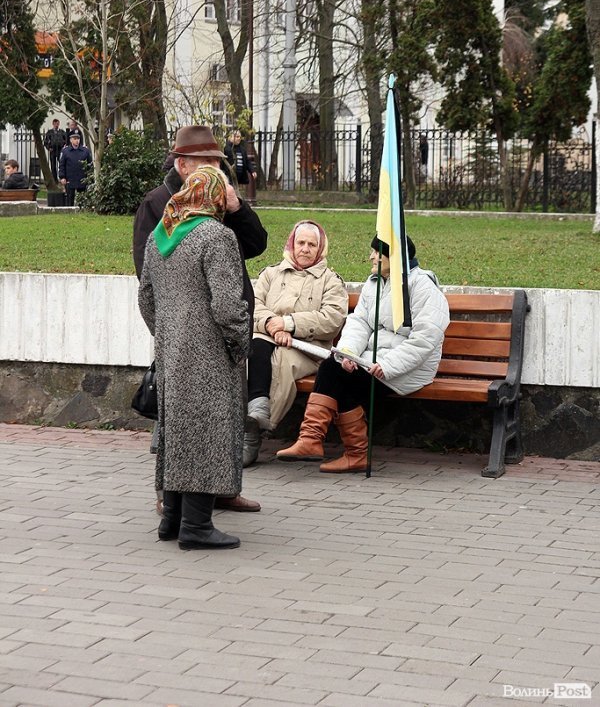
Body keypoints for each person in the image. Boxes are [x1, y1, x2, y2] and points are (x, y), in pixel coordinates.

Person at [133, 125, 268, 513]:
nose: (216, 168)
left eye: (218, 162)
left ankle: (221, 489)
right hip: (186, 329)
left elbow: (256, 244)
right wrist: (168, 332)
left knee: (224, 415)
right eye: (207, 162)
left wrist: (237, 208)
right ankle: (171, 498)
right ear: (182, 163)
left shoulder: (221, 200)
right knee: (178, 414)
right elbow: (148, 274)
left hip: (224, 327)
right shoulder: (158, 203)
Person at [138, 166, 251, 549]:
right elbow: (227, 305)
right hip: (209, 349)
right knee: (207, 431)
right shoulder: (216, 236)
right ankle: (197, 526)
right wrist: (239, 343)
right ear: (216, 196)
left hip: (171, 349)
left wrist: (167, 334)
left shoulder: (159, 237)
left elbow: (146, 299)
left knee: (177, 431)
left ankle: (172, 519)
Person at [276, 235, 450, 473]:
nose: (371, 257)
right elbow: (359, 323)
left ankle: (350, 452)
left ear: (395, 257)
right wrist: (348, 352)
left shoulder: (422, 287)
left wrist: (388, 365)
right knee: (334, 365)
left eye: (378, 253)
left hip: (409, 368)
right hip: (371, 359)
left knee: (344, 379)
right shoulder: (375, 282)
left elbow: (425, 339)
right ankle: (311, 441)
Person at [244, 220, 348, 467]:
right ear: (292, 244)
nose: (305, 249)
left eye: (312, 244)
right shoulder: (271, 273)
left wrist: (289, 324)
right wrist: (271, 323)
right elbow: (253, 305)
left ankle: (256, 430)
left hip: (308, 349)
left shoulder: (330, 280)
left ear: (320, 249)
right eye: (301, 242)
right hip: (268, 336)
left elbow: (332, 318)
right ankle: (256, 410)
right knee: (256, 347)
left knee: (282, 359)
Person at [59, 133, 93, 206]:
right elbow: (62, 165)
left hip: (82, 178)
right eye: (75, 139)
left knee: (82, 199)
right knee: (70, 198)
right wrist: (62, 177)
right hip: (70, 178)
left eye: (78, 139)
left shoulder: (85, 151)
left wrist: (89, 177)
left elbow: (90, 164)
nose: (77, 141)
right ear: (71, 140)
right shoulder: (65, 151)